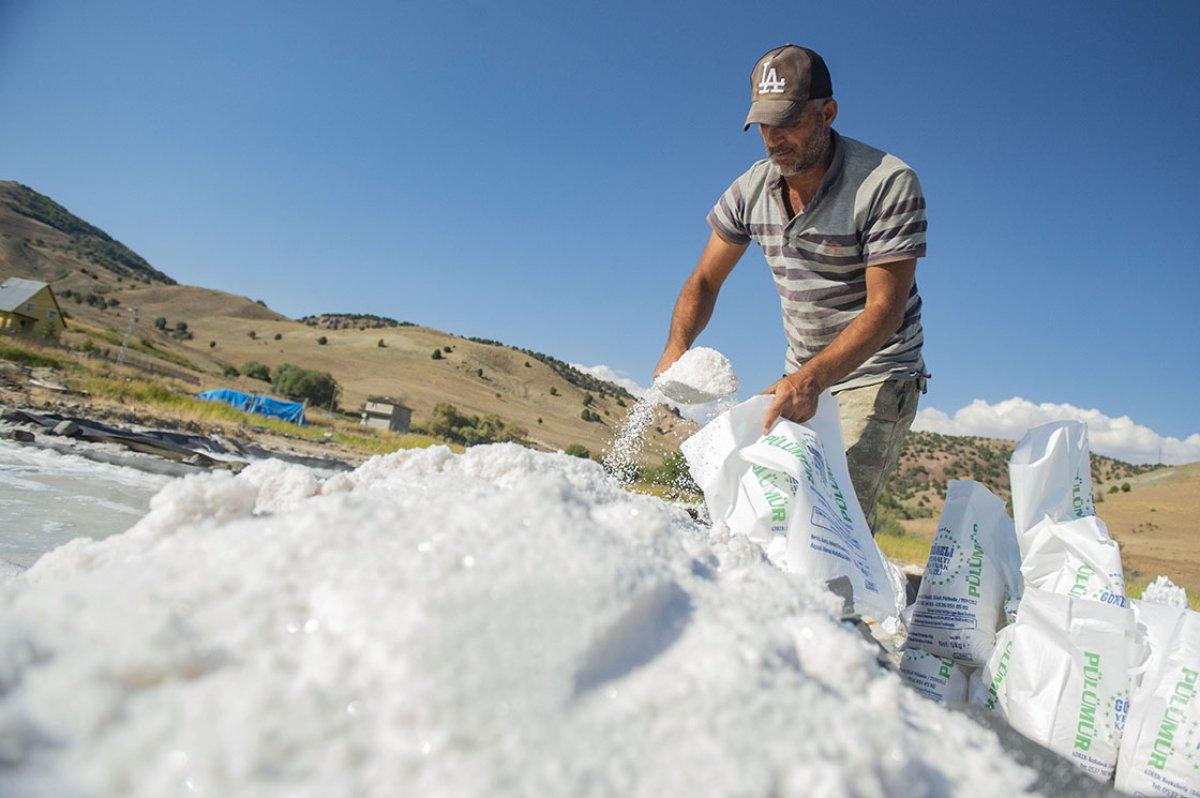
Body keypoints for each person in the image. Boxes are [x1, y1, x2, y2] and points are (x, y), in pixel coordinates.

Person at [654, 44, 929, 534]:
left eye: (787, 122)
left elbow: (885, 310)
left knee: (830, 520)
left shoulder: (886, 183)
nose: (773, 139)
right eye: (763, 125)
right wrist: (676, 350)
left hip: (877, 372)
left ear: (827, 113)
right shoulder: (751, 190)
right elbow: (705, 280)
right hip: (801, 370)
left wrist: (810, 382)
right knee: (765, 506)